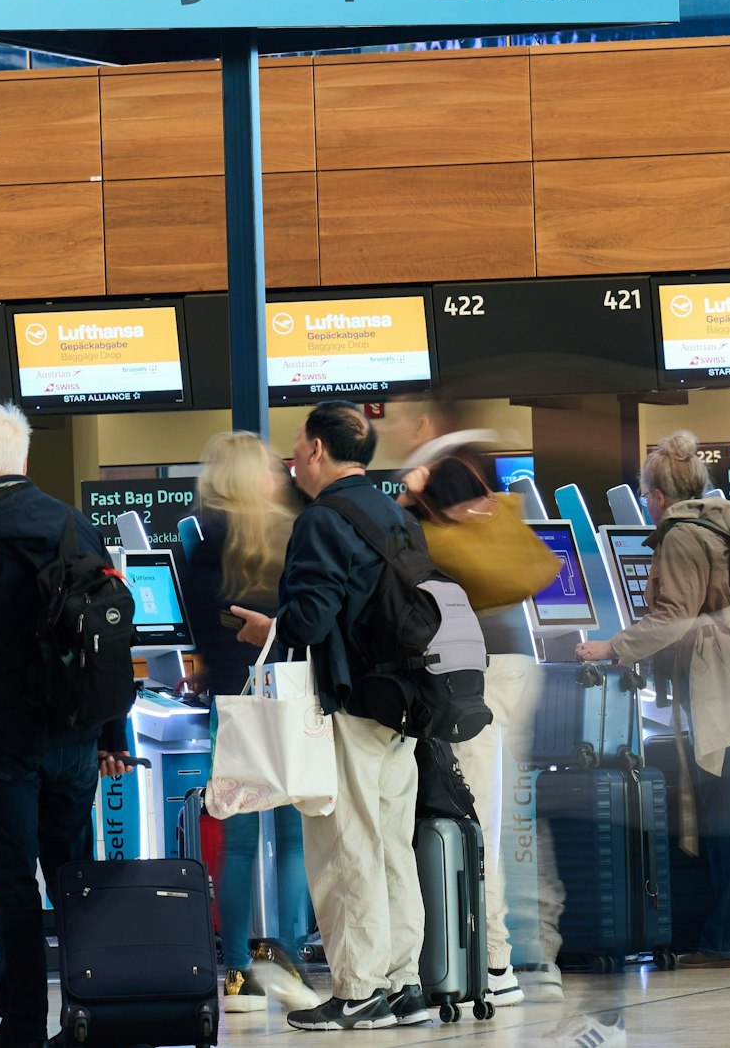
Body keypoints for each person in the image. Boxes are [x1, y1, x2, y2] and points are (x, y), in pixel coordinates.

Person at [0, 402, 134, 1048]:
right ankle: (87, 1013)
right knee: (73, 876)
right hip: (75, 735)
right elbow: (110, 640)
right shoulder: (75, 524)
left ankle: (20, 1024)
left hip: (3, 743)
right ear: (24, 460)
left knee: (12, 883)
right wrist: (112, 737)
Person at [575, 431, 730, 971]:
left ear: (655, 494)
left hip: (727, 693)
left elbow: (674, 615)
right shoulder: (727, 523)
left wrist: (611, 646)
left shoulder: (681, 534)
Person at [230, 402, 429, 1032]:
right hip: (399, 705)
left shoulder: (323, 520)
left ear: (317, 450)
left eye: (297, 444)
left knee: (346, 847)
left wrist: (271, 627)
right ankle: (403, 983)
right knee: (392, 843)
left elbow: (312, 619)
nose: (292, 456)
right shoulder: (393, 514)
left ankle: (357, 988)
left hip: (347, 705)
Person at [383, 395, 549, 1007]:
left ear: (425, 424)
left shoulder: (443, 471)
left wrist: (408, 501)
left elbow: (432, 565)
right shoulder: (467, 467)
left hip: (484, 673)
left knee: (477, 819)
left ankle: (497, 966)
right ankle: (499, 958)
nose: (391, 429)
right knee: (486, 816)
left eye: (399, 419)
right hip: (502, 663)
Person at [184, 431, 316, 1015]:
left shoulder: (202, 537)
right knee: (292, 837)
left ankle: (237, 970)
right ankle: (289, 957)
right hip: (289, 693)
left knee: (236, 840)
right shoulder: (298, 531)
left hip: (231, 701)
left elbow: (197, 625)